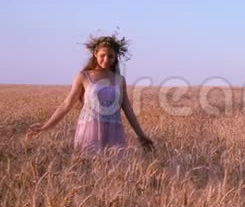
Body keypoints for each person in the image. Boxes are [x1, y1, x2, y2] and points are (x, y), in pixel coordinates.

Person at [25, 34, 155, 153]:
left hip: (114, 131)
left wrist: (141, 135)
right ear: (95, 54)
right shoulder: (83, 76)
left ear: (116, 57)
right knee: (88, 166)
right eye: (102, 55)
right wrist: (46, 127)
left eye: (111, 56)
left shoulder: (120, 80)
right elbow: (66, 104)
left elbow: (128, 109)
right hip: (89, 129)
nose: (106, 59)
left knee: (115, 169)